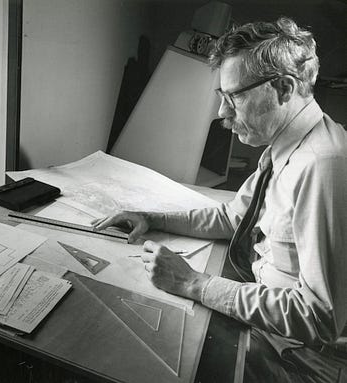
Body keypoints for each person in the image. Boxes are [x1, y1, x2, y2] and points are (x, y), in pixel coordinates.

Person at [93, 17, 347, 382]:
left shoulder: (322, 168)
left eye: (235, 97)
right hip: (275, 330)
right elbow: (234, 218)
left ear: (285, 89)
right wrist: (152, 217)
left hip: (303, 358)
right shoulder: (286, 144)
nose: (222, 113)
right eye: (222, 97)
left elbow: (319, 316)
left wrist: (194, 284)